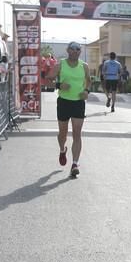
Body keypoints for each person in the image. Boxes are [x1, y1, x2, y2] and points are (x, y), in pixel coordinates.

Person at [47, 41, 91, 179]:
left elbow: (89, 80)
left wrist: (86, 91)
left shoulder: (84, 66)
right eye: (72, 49)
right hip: (64, 102)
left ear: (80, 51)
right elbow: (48, 80)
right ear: (67, 50)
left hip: (78, 102)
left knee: (77, 134)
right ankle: (62, 150)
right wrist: (59, 84)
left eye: (78, 49)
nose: (75, 51)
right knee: (63, 133)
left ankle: (75, 164)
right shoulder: (60, 64)